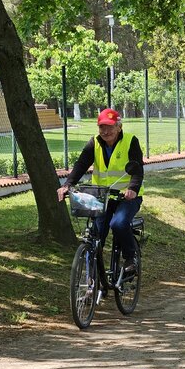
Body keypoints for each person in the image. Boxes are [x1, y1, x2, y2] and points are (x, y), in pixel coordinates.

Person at [57, 108, 144, 271]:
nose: (105, 131)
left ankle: (130, 258)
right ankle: (93, 277)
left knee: (118, 224)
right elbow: (81, 164)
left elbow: (137, 169)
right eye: (102, 127)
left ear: (119, 127)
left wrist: (132, 188)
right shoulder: (94, 143)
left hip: (126, 197)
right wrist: (67, 185)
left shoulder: (130, 141)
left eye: (110, 127)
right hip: (102, 197)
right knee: (96, 234)